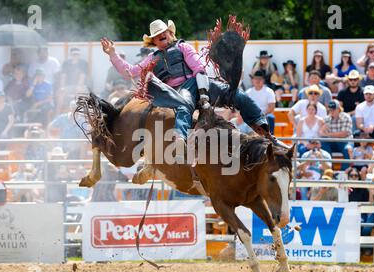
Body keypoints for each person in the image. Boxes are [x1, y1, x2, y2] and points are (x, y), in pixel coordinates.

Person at [100, 19, 284, 150]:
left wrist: (203, 92)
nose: (161, 36)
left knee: (236, 95)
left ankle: (265, 131)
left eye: (163, 32)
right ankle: (180, 138)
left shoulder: (182, 47)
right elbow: (130, 72)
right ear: (154, 41)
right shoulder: (152, 59)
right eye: (157, 35)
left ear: (170, 33)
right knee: (183, 105)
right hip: (179, 91)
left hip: (199, 82)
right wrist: (112, 55)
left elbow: (198, 67)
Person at [319, 100, 353, 170]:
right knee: (323, 144)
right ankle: (330, 170)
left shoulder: (346, 117)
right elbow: (321, 133)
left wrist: (328, 134)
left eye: (334, 109)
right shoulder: (326, 119)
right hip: (332, 142)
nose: (332, 111)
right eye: (330, 109)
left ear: (338, 109)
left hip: (344, 141)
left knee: (347, 150)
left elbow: (344, 134)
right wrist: (322, 128)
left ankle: (343, 173)